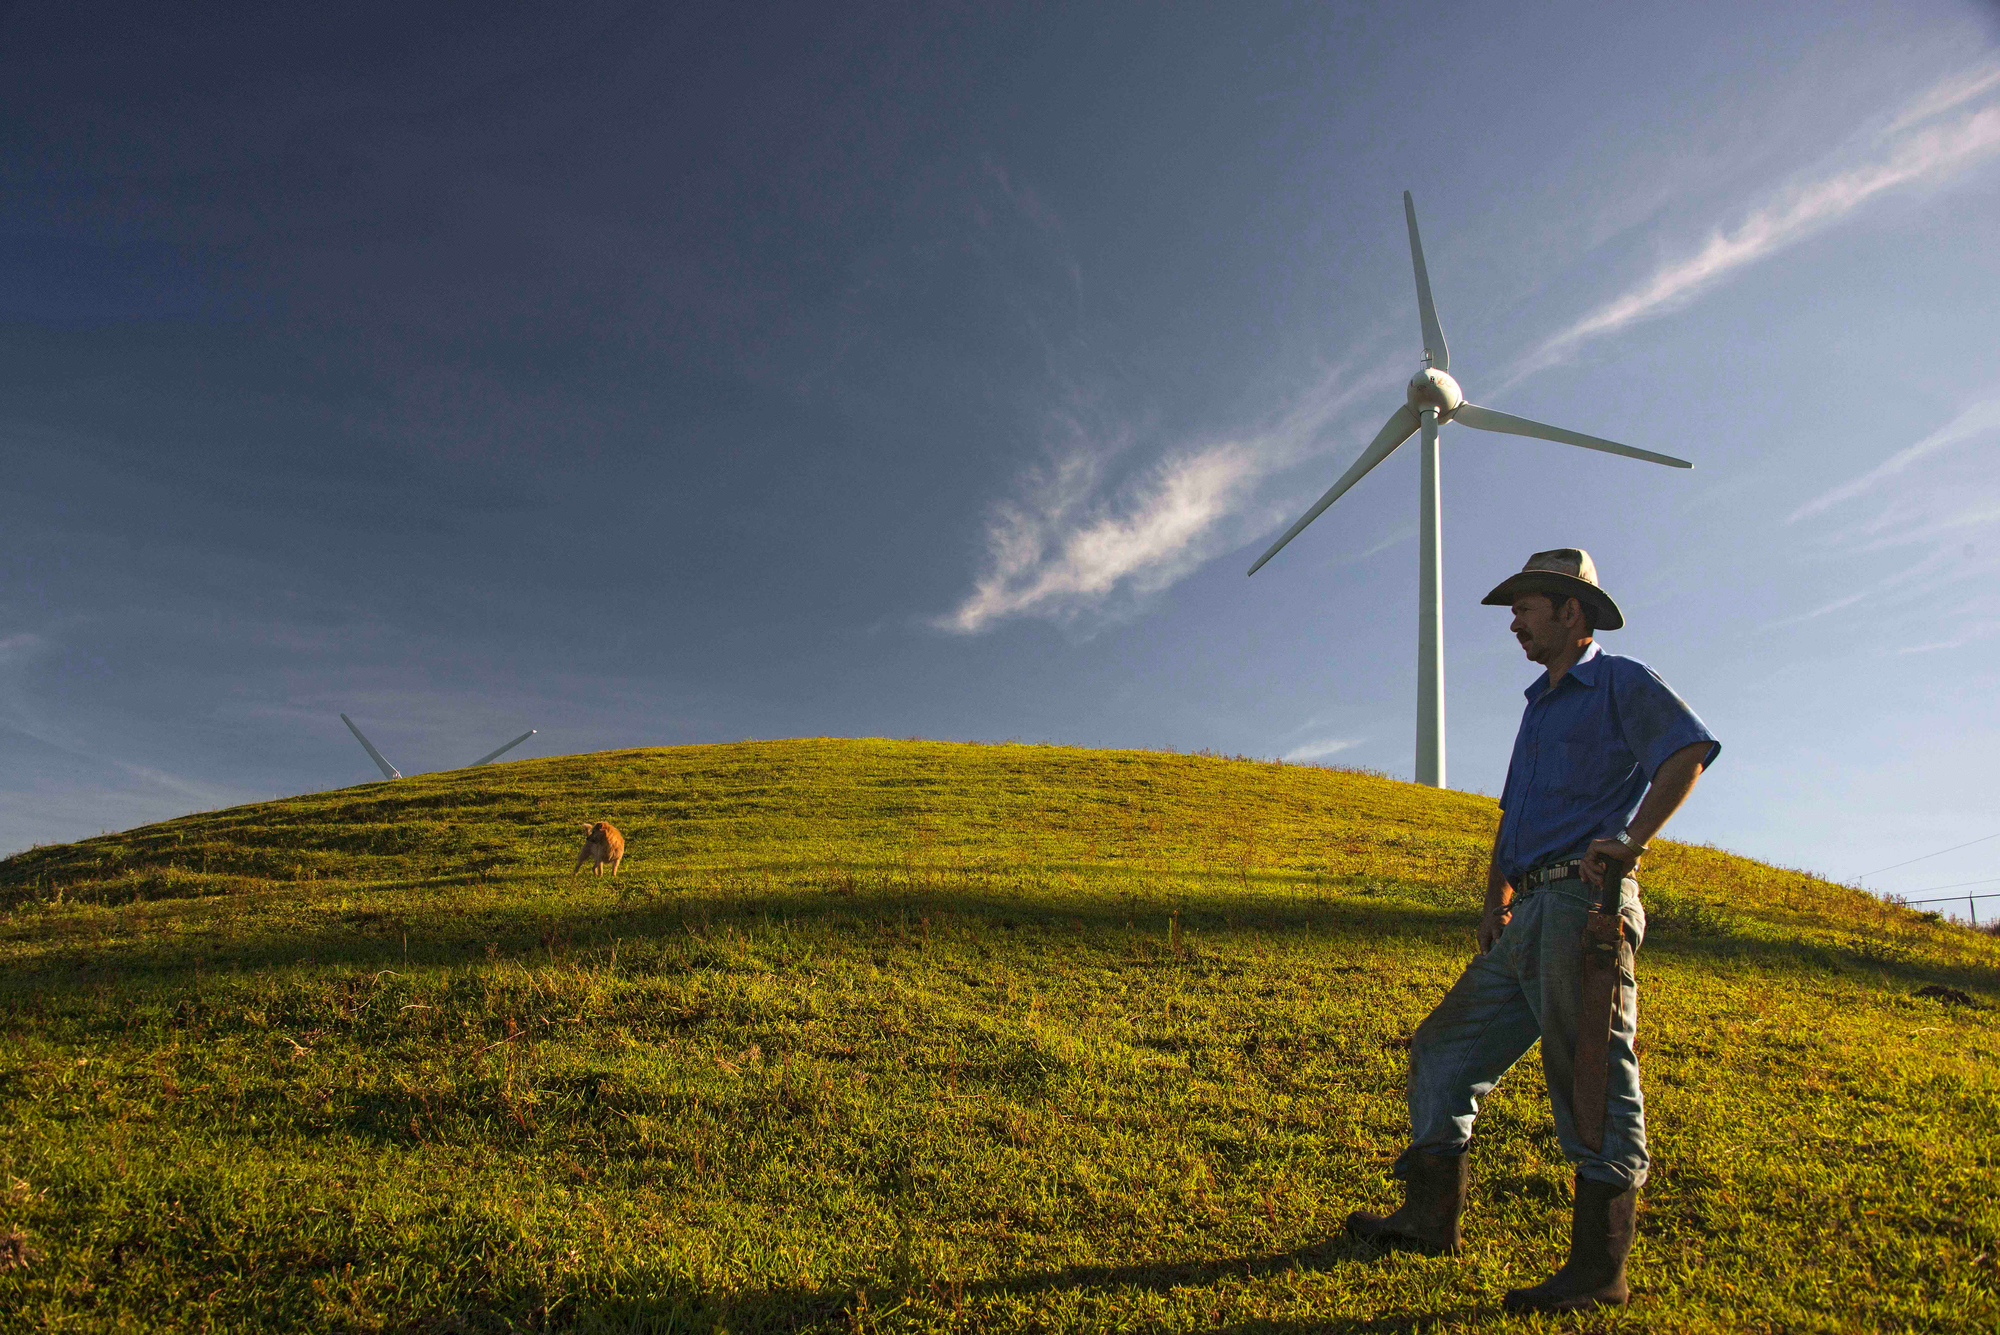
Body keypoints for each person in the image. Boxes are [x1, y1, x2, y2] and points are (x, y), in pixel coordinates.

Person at [1345, 548, 1719, 1314]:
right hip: (1526, 914)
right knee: (1443, 1046)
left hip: (1583, 908)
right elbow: (1512, 817)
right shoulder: (1538, 706)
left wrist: (1632, 840)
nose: (1513, 623)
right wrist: (1494, 900)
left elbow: (1686, 750)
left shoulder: (1620, 680)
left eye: (1525, 608)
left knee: (1592, 1077)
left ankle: (1596, 1271)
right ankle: (1427, 1218)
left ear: (1569, 613)